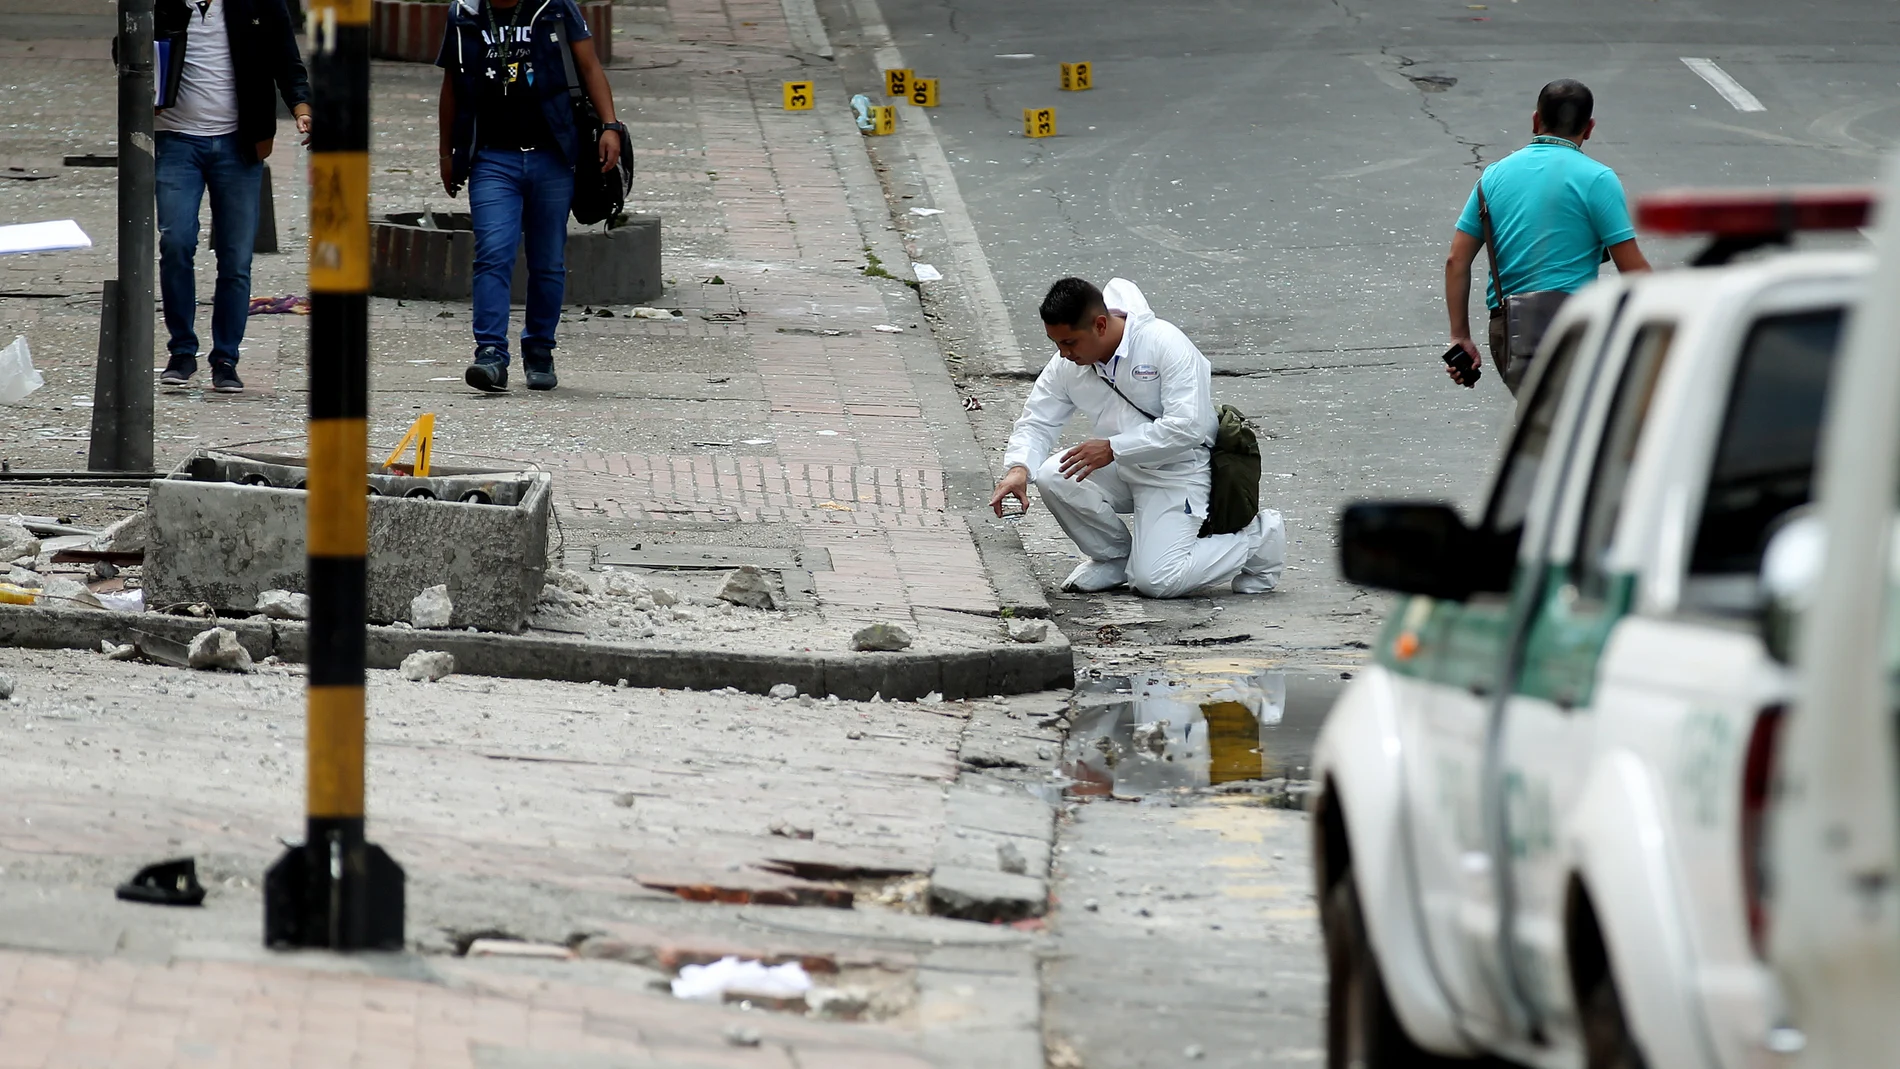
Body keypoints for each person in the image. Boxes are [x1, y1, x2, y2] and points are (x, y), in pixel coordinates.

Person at [988, 277, 1285, 598]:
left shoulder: (1164, 343)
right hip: (1122, 464)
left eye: (1069, 343)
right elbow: (1038, 419)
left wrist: (1115, 448)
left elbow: (1189, 426)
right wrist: (1019, 468)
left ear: (1100, 325)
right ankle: (1115, 557)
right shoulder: (1067, 363)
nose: (1063, 354)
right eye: (1056, 343)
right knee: (1053, 475)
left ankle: (1258, 539)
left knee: (1157, 581)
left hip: (1178, 471)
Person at [437, 0, 623, 393]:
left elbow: (590, 66)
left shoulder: (555, 8)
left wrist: (610, 126)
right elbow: (452, 82)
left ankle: (539, 349)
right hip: (491, 159)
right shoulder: (465, 13)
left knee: (548, 262)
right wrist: (446, 153)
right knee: (493, 253)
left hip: (552, 156)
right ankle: (490, 354)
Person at [1444, 79, 1651, 393]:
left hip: (1509, 331)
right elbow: (1633, 271)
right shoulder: (1597, 179)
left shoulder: (1493, 177)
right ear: (1589, 128)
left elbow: (1456, 261)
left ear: (1535, 120)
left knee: (1539, 412)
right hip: (1574, 328)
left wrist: (1460, 336)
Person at [154, 0, 312, 393]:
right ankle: (182, 351)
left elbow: (286, 59)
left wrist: (301, 107)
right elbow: (126, 53)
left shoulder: (260, 3)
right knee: (175, 241)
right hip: (176, 140)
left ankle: (225, 358)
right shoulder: (163, 3)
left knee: (236, 258)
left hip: (239, 144)